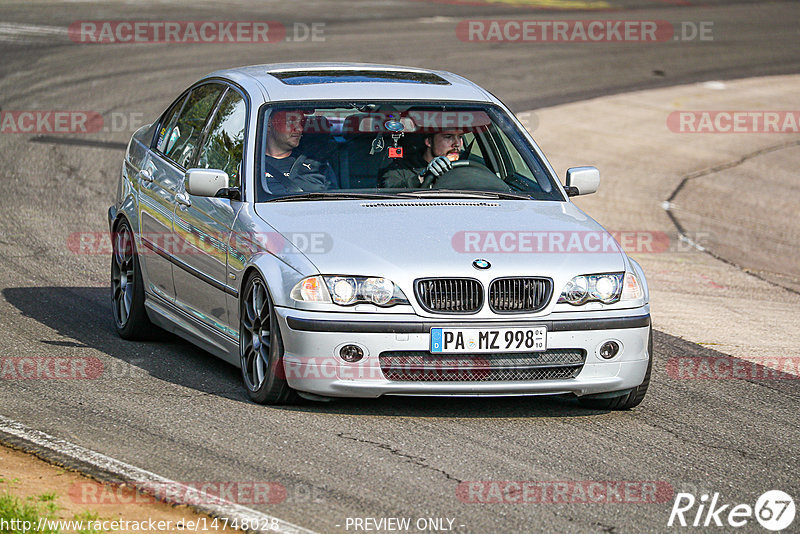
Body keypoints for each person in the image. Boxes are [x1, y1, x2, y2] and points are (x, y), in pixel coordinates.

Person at [262, 110, 337, 195]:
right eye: (291, 121)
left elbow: (333, 202)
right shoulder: (250, 164)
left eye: (302, 122)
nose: (300, 128)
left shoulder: (317, 164)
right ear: (269, 124)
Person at [380, 129, 464, 189]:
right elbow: (388, 194)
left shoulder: (468, 167)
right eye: (448, 137)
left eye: (460, 137)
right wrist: (422, 178)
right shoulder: (399, 170)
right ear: (429, 142)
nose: (457, 144)